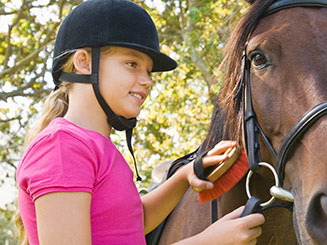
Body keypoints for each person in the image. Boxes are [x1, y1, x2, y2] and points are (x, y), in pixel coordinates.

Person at [15, 0, 265, 244]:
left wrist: (183, 176)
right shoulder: (62, 148)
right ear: (84, 63)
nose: (147, 80)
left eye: (149, 71)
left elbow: (134, 222)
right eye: (132, 64)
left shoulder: (99, 149)